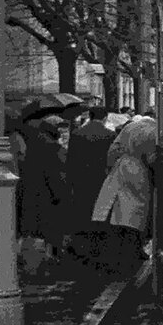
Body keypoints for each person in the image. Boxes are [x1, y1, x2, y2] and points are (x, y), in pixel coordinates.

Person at [92, 114, 157, 272]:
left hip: (121, 167)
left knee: (115, 210)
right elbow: (152, 158)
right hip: (140, 171)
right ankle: (132, 252)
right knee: (135, 212)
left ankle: (115, 253)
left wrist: (110, 167)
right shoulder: (154, 130)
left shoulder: (128, 128)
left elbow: (113, 150)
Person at [65, 106, 116, 262]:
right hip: (102, 179)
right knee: (101, 211)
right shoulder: (110, 135)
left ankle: (83, 245)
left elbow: (71, 160)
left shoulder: (77, 134)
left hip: (81, 180)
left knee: (83, 210)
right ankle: (100, 244)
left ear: (90, 116)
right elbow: (112, 159)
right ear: (105, 118)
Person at [18, 115, 70, 258]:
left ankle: (29, 261)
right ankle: (48, 262)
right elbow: (59, 176)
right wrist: (63, 195)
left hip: (32, 193)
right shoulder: (55, 149)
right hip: (50, 197)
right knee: (51, 232)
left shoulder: (32, 145)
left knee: (33, 231)